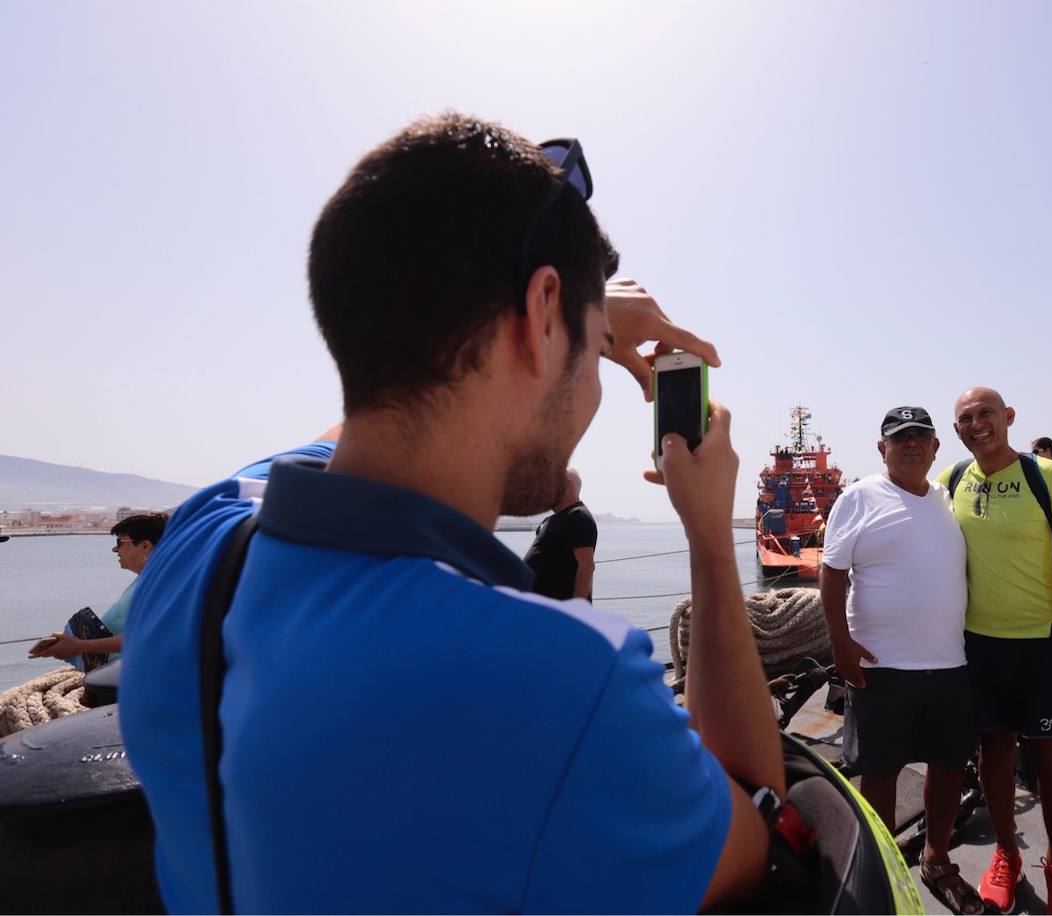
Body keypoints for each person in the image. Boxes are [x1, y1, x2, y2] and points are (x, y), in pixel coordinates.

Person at [119, 114, 782, 914]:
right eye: (592, 342)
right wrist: (710, 533)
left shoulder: (199, 537)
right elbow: (755, 825)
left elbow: (379, 385)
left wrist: (573, 301)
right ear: (541, 317)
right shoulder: (560, 685)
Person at [934, 388, 1052, 916]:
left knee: (1050, 756)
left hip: (1043, 640)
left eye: (986, 414)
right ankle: (1006, 854)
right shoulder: (951, 480)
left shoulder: (1048, 476)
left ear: (1008, 418)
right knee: (993, 755)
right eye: (966, 418)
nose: (977, 424)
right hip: (976, 644)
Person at [820, 406, 983, 915]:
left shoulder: (944, 498)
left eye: (921, 436)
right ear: (881, 448)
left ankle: (936, 858)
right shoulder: (858, 497)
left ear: (936, 448)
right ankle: (884, 867)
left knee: (948, 764)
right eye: (900, 437)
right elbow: (831, 574)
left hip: (949, 662)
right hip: (881, 666)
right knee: (880, 772)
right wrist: (841, 644)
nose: (911, 444)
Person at [29, 513, 168, 668]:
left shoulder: (162, 584)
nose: (115, 549)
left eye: (120, 542)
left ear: (144, 546)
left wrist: (79, 646)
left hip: (137, 677)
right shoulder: (148, 580)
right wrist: (75, 642)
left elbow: (151, 637)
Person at [524, 468, 598, 600]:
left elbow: (586, 566)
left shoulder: (578, 516)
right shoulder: (553, 519)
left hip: (558, 609)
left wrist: (577, 609)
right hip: (540, 606)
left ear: (567, 485)